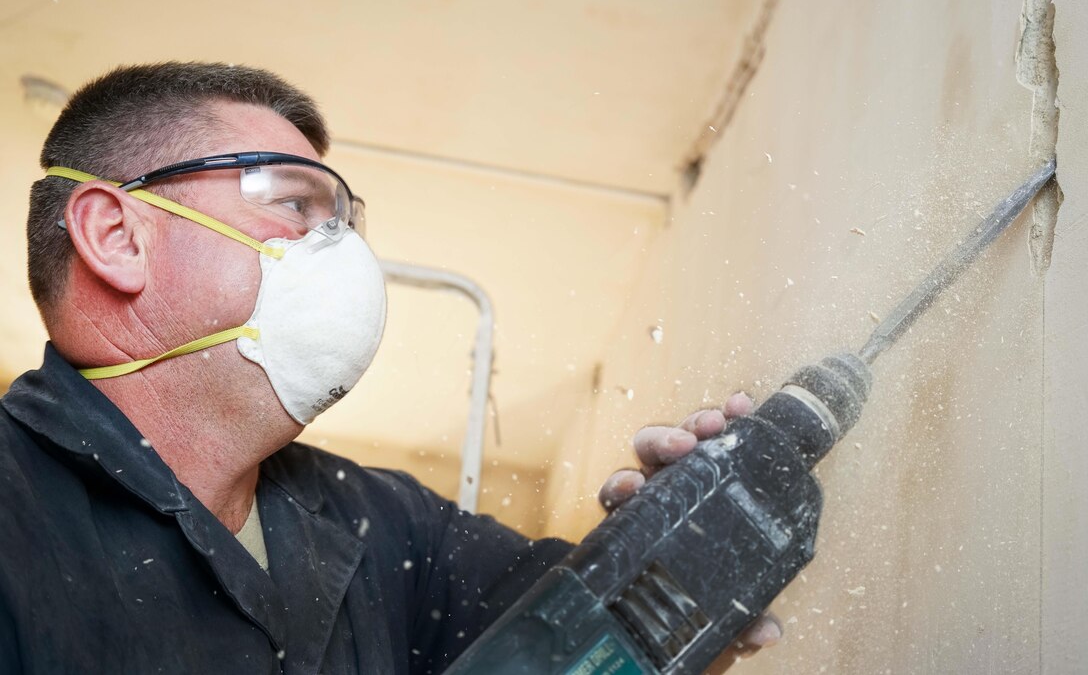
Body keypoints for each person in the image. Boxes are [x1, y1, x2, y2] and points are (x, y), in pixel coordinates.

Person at [0, 62, 779, 673]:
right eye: (295, 203)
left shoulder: (384, 526)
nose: (340, 248)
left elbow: (584, 638)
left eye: (340, 217)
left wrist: (687, 546)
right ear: (116, 235)